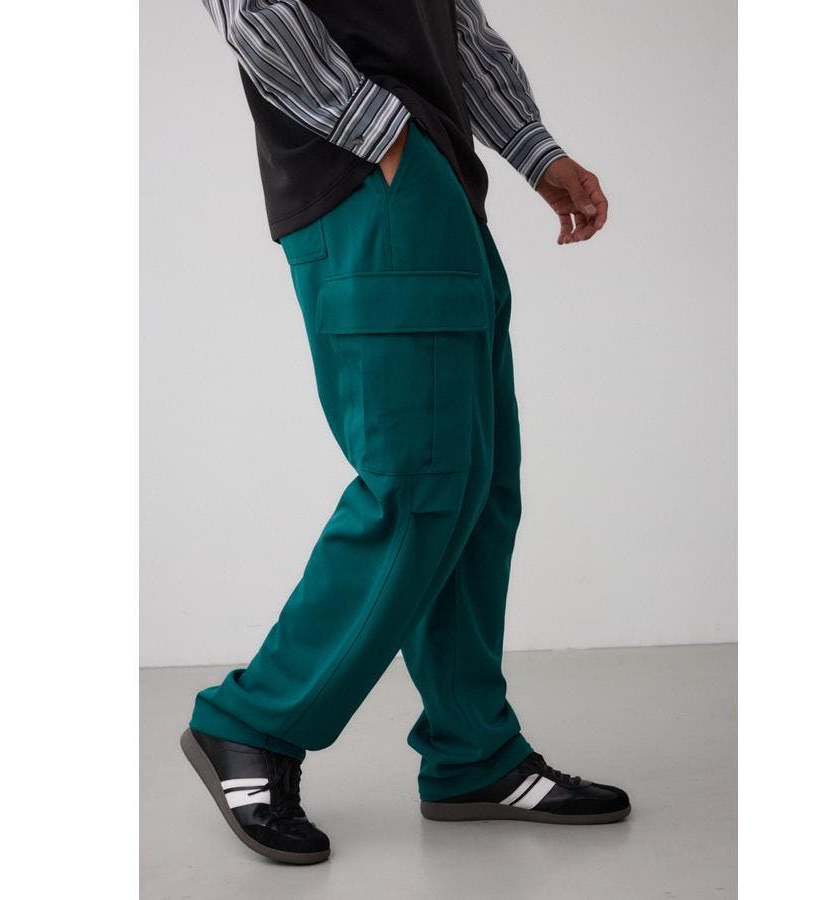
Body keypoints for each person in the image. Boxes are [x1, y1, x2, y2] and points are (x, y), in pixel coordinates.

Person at [180, 0, 629, 865]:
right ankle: (251, 721)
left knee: (479, 487)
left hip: (435, 180)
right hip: (368, 173)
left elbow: (450, 21)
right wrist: (382, 135)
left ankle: (472, 753)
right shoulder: (376, 145)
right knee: (418, 483)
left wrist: (535, 150)